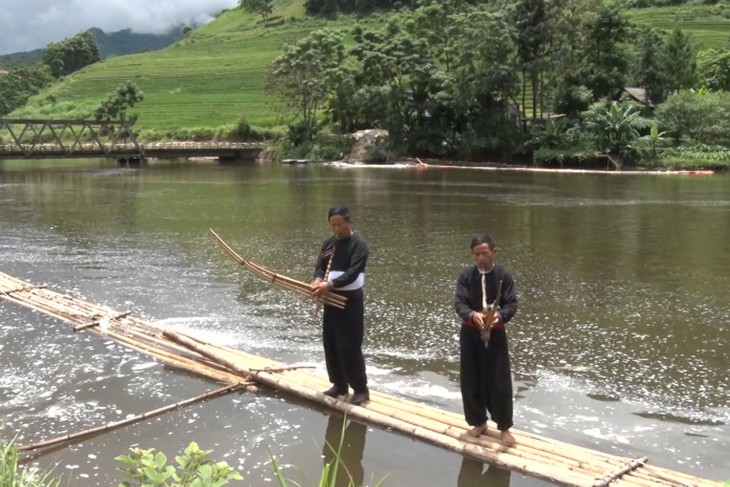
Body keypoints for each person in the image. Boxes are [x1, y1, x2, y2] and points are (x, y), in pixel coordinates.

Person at [454, 234, 518, 446]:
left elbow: (511, 305)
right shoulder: (466, 276)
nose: (481, 258)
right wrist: (473, 315)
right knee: (471, 378)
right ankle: (478, 421)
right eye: (477, 254)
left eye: (484, 254)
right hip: (470, 333)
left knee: (498, 381)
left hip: (496, 334)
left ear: (494, 252)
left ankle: (504, 427)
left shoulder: (503, 276)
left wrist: (497, 316)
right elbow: (460, 304)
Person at [311, 206, 370, 406]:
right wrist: (318, 279)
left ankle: (360, 389)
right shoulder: (330, 243)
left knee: (349, 346)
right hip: (330, 300)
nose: (336, 229)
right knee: (331, 343)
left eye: (340, 225)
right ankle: (339, 385)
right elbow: (320, 265)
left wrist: (330, 284)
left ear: (349, 222)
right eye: (333, 225)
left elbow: (353, 272)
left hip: (349, 302)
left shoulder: (359, 245)